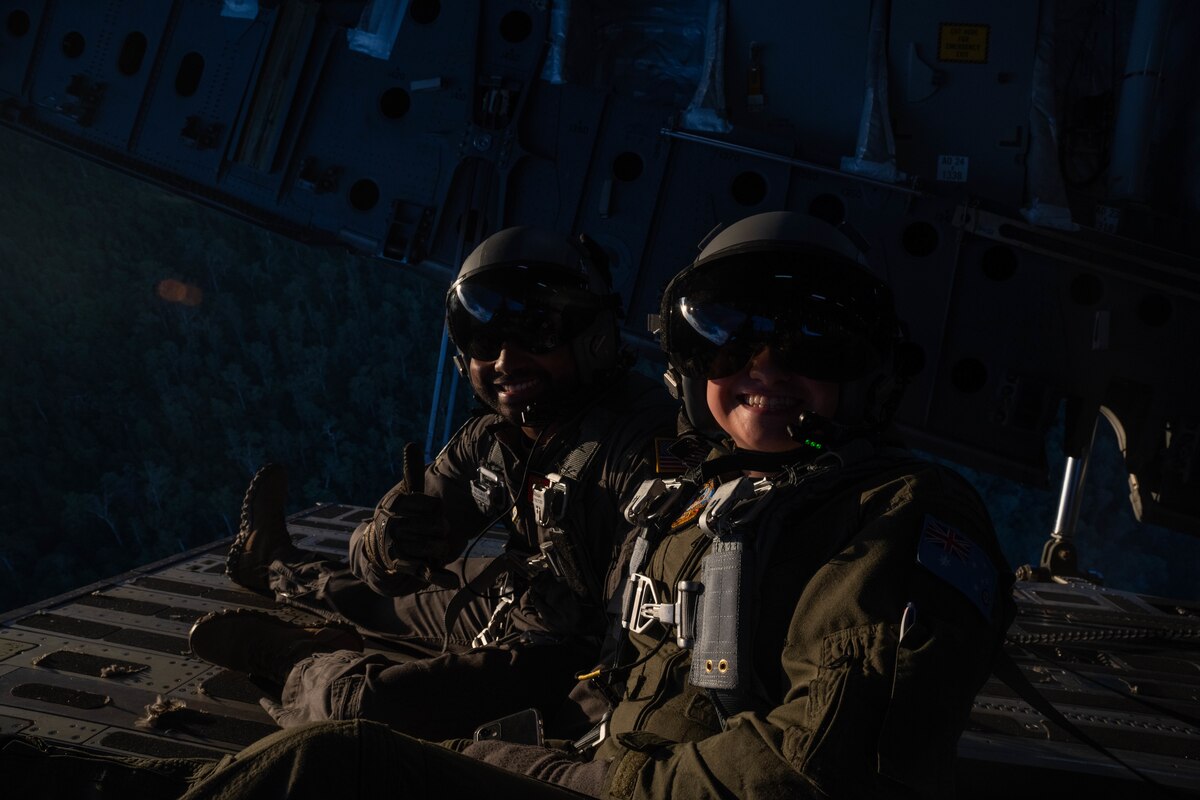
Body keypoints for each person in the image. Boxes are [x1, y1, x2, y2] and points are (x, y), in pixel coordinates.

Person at [0, 211, 1015, 799]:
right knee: (375, 611)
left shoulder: (890, 512)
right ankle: (282, 589)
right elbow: (421, 551)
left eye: (812, 352)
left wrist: (589, 755)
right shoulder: (729, 485)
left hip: (613, 744)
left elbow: (815, 764)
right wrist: (397, 535)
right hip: (604, 721)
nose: (766, 375)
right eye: (738, 343)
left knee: (348, 754)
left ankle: (278, 677)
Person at [187, 225, 681, 740]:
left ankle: (299, 660)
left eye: (538, 331)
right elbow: (376, 559)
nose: (506, 361)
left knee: (366, 707)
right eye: (484, 340)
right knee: (381, 597)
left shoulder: (645, 448)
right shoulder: (493, 437)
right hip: (531, 600)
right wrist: (389, 542)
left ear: (595, 336)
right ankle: (271, 565)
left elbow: (635, 652)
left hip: (579, 654)